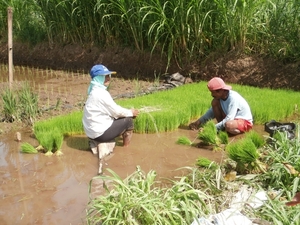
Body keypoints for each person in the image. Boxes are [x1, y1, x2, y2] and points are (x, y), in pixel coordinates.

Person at [82, 64, 139, 147]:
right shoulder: (101, 93)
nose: (108, 78)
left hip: (91, 132)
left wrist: (128, 112)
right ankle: (126, 148)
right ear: (98, 78)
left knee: (122, 116)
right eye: (105, 76)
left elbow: (113, 111)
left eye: (108, 75)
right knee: (128, 121)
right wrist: (131, 113)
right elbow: (116, 111)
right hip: (99, 134)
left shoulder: (94, 91)